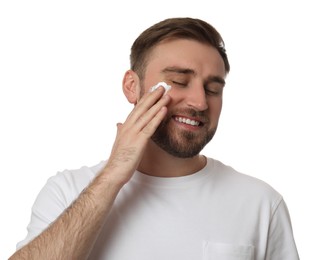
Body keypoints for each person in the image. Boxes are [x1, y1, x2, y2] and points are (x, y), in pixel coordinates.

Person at [10, 17, 299, 260]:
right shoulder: (67, 191)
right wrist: (113, 176)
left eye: (212, 89)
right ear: (132, 87)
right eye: (178, 82)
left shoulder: (261, 203)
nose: (199, 102)